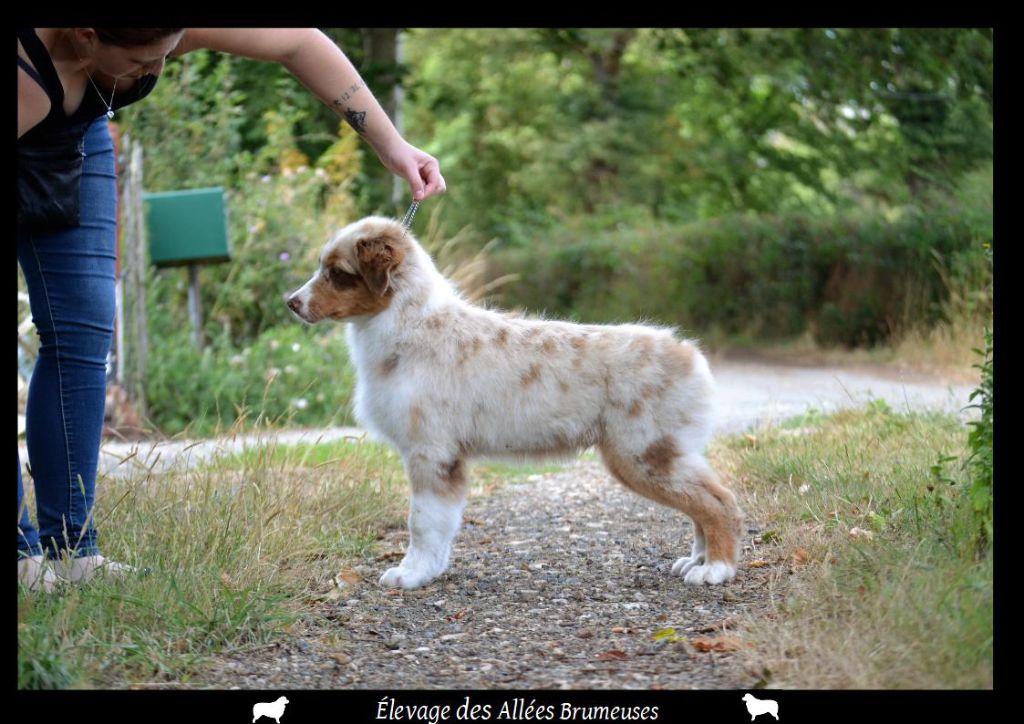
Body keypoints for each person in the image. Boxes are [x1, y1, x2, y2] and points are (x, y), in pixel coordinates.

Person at [17, 28, 446, 591]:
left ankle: (72, 551)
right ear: (86, 34)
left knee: (83, 329)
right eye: (139, 61)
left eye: (165, 56)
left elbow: (299, 42)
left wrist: (391, 145)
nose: (153, 71)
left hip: (76, 133)